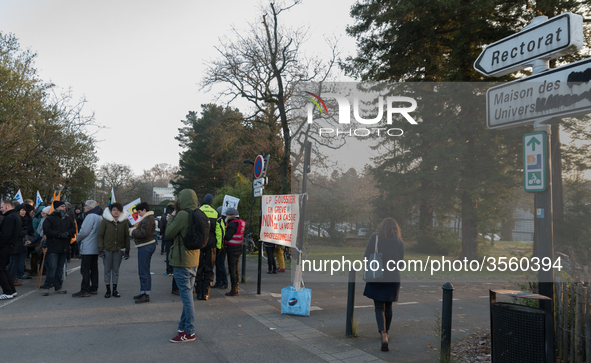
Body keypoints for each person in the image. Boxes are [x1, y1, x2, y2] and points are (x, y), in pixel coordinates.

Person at [363, 218, 404, 352]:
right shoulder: (399, 241)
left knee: (379, 307)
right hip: (393, 277)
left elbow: (366, 257)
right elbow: (401, 263)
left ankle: (383, 333)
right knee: (389, 306)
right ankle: (387, 332)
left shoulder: (375, 238)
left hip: (377, 275)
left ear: (381, 227)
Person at [165, 189, 200, 343]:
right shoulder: (197, 214)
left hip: (181, 260)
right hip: (194, 260)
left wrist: (171, 218)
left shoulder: (181, 215)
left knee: (187, 298)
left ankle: (189, 332)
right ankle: (182, 328)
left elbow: (169, 233)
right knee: (188, 295)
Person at [41, 200, 76, 296]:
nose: (64, 208)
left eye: (64, 206)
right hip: (53, 246)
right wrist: (59, 234)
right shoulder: (50, 219)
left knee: (60, 268)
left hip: (64, 247)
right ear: (56, 207)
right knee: (52, 268)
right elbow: (47, 231)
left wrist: (68, 233)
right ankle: (47, 287)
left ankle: (58, 287)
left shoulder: (67, 219)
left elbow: (73, 229)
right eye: (61, 206)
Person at [97, 202, 130, 298]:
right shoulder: (105, 221)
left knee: (116, 270)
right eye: (114, 210)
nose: (116, 212)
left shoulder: (124, 222)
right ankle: (108, 290)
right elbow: (100, 235)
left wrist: (127, 251)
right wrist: (100, 249)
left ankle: (115, 290)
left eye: (118, 210)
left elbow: (126, 237)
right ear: (110, 211)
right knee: (107, 270)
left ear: (121, 211)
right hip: (107, 249)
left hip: (119, 250)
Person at [72, 200, 103, 297]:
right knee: (94, 268)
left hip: (88, 246)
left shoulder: (90, 216)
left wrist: (77, 239)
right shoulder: (99, 216)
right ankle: (94, 287)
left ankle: (85, 290)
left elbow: (84, 231)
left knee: (85, 269)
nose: (84, 207)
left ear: (90, 207)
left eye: (85, 205)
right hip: (95, 247)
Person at [196, 194, 222, 300]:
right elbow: (219, 232)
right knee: (209, 268)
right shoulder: (216, 213)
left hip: (199, 244)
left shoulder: (197, 212)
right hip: (212, 244)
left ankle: (199, 293)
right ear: (211, 201)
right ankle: (206, 293)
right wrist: (219, 247)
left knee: (199, 268)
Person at [130, 202, 156, 303]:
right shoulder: (148, 218)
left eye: (139, 212)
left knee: (144, 271)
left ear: (144, 210)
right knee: (143, 270)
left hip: (146, 245)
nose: (139, 214)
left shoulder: (148, 219)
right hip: (146, 245)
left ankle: (146, 294)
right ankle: (143, 292)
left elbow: (143, 233)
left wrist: (132, 231)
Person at [0, 200, 22, 299]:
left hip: (4, 247)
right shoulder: (15, 216)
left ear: (8, 207)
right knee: (3, 269)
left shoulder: (10, 217)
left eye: (2, 207)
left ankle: (8, 291)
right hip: (10, 246)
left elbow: (5, 235)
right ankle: (12, 290)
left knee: (1, 270)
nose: (1, 209)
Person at [224, 207, 246, 297]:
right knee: (236, 269)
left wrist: (225, 231)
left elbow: (228, 237)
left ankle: (234, 289)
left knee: (232, 269)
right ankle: (236, 287)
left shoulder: (232, 224)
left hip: (232, 249)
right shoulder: (241, 223)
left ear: (230, 215)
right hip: (239, 247)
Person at [211, 206, 227, 289]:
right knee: (218, 265)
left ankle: (224, 282)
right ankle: (219, 282)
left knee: (220, 265)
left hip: (221, 246)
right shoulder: (223, 220)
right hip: (221, 245)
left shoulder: (221, 220)